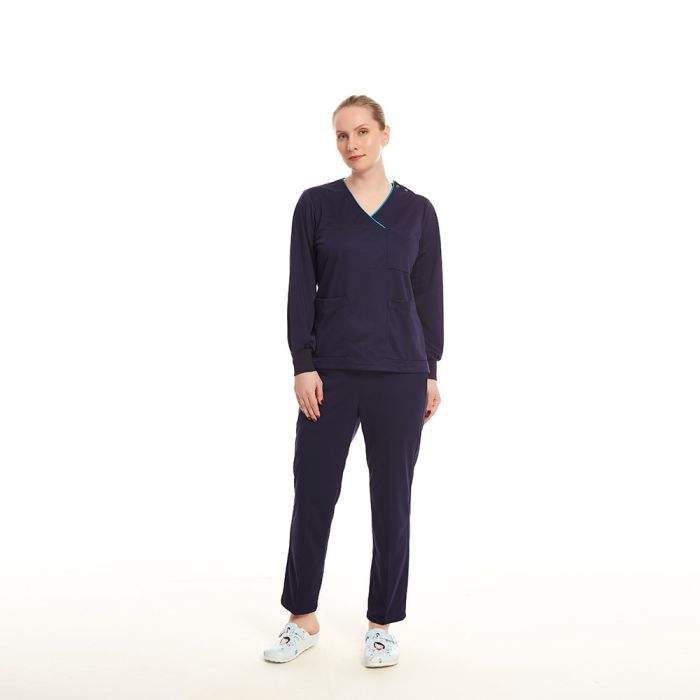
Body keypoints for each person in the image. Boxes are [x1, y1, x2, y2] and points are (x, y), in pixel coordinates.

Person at [263, 95, 444, 667]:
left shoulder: (417, 212)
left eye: (363, 131)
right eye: (342, 135)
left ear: (385, 134)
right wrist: (302, 363)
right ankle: (301, 617)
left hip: (400, 373)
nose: (352, 144)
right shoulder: (315, 205)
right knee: (313, 493)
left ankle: (382, 623)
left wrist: (430, 371)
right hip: (330, 374)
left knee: (392, 501)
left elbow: (428, 295)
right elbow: (300, 287)